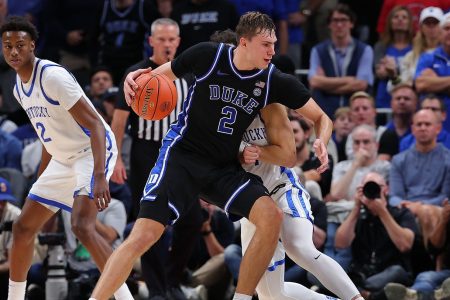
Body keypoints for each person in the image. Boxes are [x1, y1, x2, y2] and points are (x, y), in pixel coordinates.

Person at [89, 11, 332, 300]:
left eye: (274, 44)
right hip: (183, 158)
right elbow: (152, 77)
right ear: (244, 42)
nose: (273, 51)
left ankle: (241, 298)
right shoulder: (208, 56)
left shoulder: (273, 80)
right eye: (266, 44)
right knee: (143, 235)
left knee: (271, 215)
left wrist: (322, 140)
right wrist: (133, 78)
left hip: (222, 167)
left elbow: (321, 117)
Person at [0, 16, 133, 300]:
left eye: (20, 45)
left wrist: (100, 176)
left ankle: (124, 297)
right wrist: (41, 180)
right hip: (63, 157)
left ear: (32, 46)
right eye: (8, 46)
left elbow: (96, 125)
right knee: (23, 227)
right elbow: (49, 135)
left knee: (82, 226)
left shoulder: (52, 76)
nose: (13, 51)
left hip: (92, 150)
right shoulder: (18, 89)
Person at [110, 18, 197, 299]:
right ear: (151, 41)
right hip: (146, 151)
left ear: (179, 42)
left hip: (181, 151)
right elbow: (119, 121)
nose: (167, 44)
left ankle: (172, 280)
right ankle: (158, 289)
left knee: (192, 219)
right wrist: (117, 160)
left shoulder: (190, 74)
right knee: (149, 221)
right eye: (162, 39)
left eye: (172, 39)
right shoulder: (137, 73)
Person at [239, 108, 362, 299]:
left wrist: (255, 152)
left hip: (281, 188)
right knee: (271, 295)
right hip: (252, 205)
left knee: (298, 247)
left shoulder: (268, 99)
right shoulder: (211, 119)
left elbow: (289, 157)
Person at [335, 172, 419, 300]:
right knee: (326, 274)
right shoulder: (359, 215)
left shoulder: (401, 213)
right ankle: (365, 293)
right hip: (362, 272)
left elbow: (405, 245)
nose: (371, 190)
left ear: (386, 189)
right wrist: (356, 208)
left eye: (375, 186)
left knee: (395, 272)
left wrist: (382, 212)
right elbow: (340, 244)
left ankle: (356, 290)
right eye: (366, 187)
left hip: (390, 272)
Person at [0, 177, 21, 300]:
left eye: (3, 201)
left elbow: (12, 263)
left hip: (9, 269)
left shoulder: (16, 216)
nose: (1, 206)